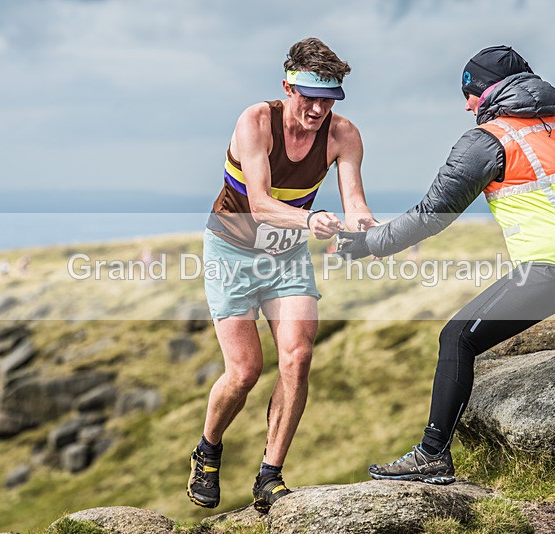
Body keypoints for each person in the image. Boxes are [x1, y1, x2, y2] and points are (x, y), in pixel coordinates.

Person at [336, 45, 555, 534]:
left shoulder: (487, 139)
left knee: (457, 337)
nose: (467, 105)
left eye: (469, 93)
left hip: (551, 268)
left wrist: (367, 244)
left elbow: (432, 214)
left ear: (487, 91)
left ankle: (432, 456)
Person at [188, 37, 376, 513]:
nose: (317, 109)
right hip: (231, 251)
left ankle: (270, 475)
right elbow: (261, 204)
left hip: (286, 255)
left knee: (297, 357)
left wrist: (368, 229)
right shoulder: (255, 122)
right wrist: (311, 220)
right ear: (287, 86)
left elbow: (355, 203)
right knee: (245, 371)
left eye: (328, 99)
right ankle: (209, 448)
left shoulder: (344, 135)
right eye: (309, 96)